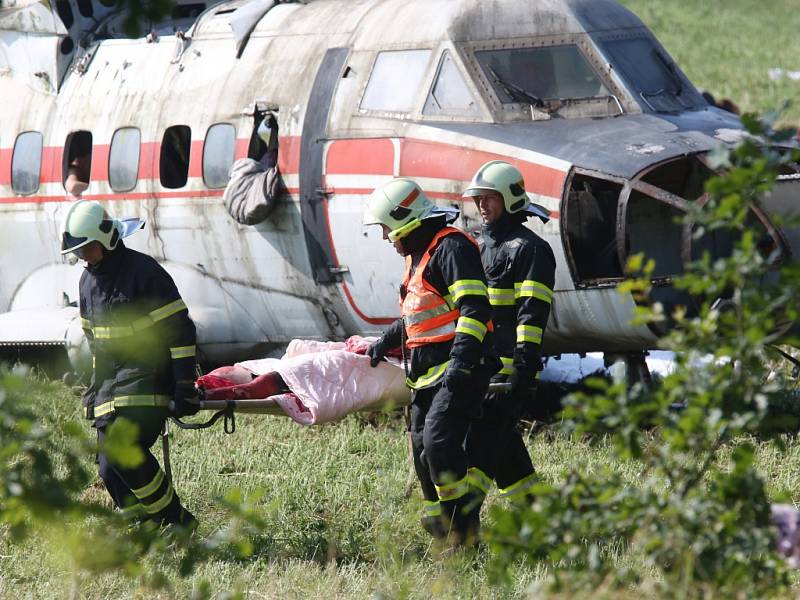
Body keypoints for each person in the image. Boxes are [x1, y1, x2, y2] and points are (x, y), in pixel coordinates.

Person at [363, 178, 497, 546]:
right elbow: (419, 315)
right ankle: (445, 520)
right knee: (422, 449)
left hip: (458, 370)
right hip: (426, 376)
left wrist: (462, 362)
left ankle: (463, 529)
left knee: (438, 445)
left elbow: (474, 309)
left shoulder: (451, 248)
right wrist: (385, 342)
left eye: (387, 229)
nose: (386, 238)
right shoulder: (418, 256)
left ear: (405, 221)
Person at [61, 200, 199, 527]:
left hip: (150, 378)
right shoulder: (87, 284)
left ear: (106, 238)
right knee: (108, 467)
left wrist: (183, 386)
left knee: (124, 453)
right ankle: (147, 527)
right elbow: (96, 345)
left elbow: (180, 331)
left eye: (87, 249)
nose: (84, 257)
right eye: (78, 252)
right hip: (113, 385)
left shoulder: (144, 272)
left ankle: (176, 521)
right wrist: (96, 394)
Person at [461, 160, 555, 508]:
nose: (483, 206)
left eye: (490, 198)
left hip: (505, 372)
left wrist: (522, 370)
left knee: (478, 450)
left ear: (510, 199)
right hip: (476, 368)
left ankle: (459, 525)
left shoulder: (530, 250)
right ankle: (541, 518)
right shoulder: (474, 246)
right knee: (506, 453)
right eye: (479, 199)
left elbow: (532, 316)